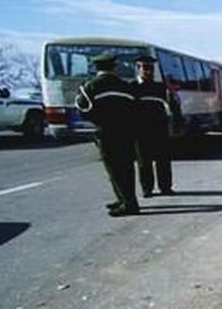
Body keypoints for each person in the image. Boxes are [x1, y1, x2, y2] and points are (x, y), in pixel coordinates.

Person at [75, 52, 140, 216]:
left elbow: (83, 108)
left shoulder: (91, 86)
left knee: (114, 169)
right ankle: (124, 198)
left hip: (106, 132)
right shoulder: (125, 85)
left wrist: (99, 120)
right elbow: (136, 109)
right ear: (114, 67)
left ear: (96, 67)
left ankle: (129, 204)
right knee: (126, 167)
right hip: (126, 132)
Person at [131, 54, 177, 197]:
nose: (148, 71)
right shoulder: (132, 87)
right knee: (144, 161)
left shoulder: (160, 87)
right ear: (138, 69)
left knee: (163, 160)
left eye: (150, 68)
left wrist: (174, 124)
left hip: (159, 128)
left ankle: (165, 187)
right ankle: (147, 188)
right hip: (140, 129)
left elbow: (172, 107)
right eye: (144, 68)